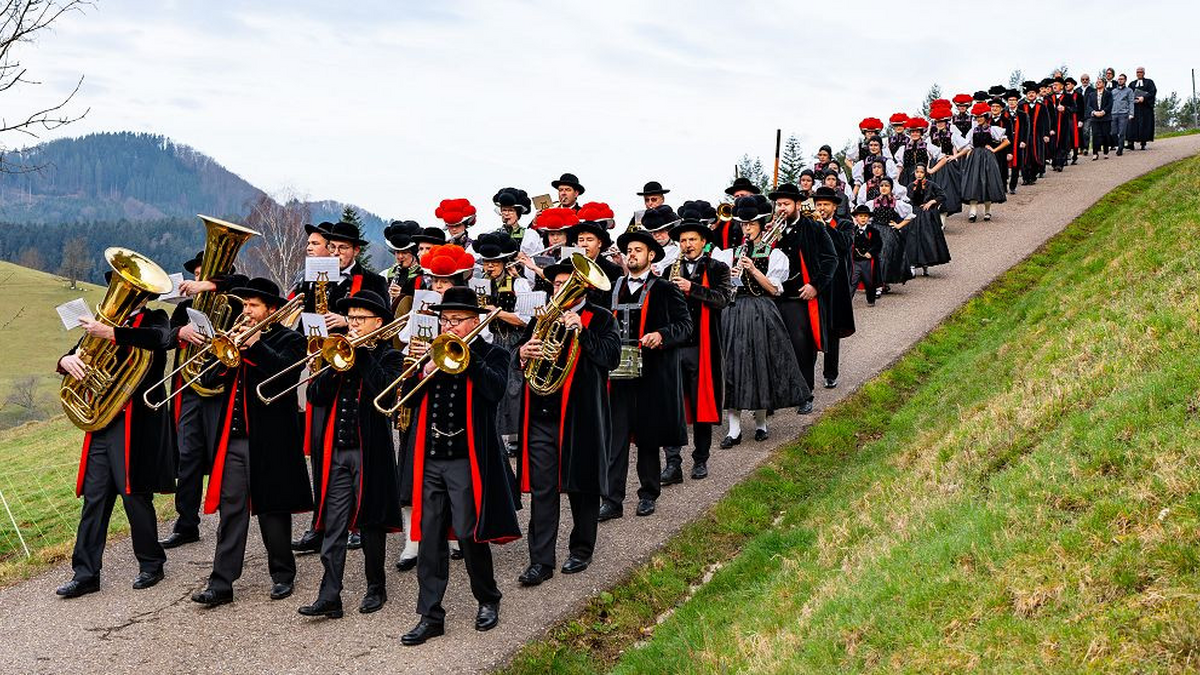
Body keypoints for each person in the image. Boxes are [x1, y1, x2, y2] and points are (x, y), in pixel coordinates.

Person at [398, 286, 521, 645]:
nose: (449, 326)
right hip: (431, 460)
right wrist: (423, 369)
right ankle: (430, 615)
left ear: (474, 321)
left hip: (467, 460)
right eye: (444, 320)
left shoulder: (493, 353)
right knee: (429, 538)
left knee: (469, 535)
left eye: (456, 320)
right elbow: (405, 399)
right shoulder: (430, 352)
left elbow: (495, 391)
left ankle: (488, 598)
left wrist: (467, 358)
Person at [190, 278, 312, 607]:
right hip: (234, 438)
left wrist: (256, 345)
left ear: (271, 309)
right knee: (231, 510)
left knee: (273, 509)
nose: (246, 311)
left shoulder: (291, 339)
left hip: (272, 438)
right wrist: (226, 352)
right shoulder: (234, 335)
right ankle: (221, 583)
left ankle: (283, 573)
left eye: (253, 306)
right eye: (244, 305)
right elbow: (208, 378)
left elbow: (284, 375)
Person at [55, 277, 175, 598]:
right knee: (95, 498)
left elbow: (161, 339)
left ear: (144, 295)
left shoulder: (154, 318)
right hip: (102, 422)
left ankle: (151, 563)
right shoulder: (102, 324)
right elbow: (76, 354)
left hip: (136, 424)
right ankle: (85, 574)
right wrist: (66, 360)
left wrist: (111, 333)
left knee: (135, 496)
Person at [513, 261, 620, 586]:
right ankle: (540, 561)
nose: (559, 289)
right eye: (556, 284)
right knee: (543, 490)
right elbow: (521, 357)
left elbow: (611, 358)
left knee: (581, 487)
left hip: (581, 417)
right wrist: (523, 353)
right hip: (542, 415)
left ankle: (581, 550)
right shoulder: (541, 319)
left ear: (582, 287)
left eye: (566, 283)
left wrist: (582, 332)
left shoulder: (601, 318)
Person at [300, 290, 404, 619]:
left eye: (361, 318)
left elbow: (386, 395)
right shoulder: (336, 351)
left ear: (378, 322)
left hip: (370, 452)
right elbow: (315, 395)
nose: (354, 323)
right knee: (334, 523)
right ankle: (329, 594)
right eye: (352, 317)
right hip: (337, 452)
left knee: (371, 521)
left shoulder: (390, 356)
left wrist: (360, 355)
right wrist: (334, 364)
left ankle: (376, 586)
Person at [293, 220, 388, 554]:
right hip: (325, 368)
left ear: (356, 251)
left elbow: (385, 325)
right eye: (331, 247)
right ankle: (322, 523)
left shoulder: (373, 281)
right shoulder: (315, 277)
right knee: (321, 450)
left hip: (359, 371)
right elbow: (303, 318)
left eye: (342, 248)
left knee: (358, 453)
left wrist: (347, 321)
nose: (335, 253)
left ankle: (358, 523)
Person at [600, 230, 691, 520]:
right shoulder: (611, 287)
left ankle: (648, 494)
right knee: (615, 440)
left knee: (648, 439)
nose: (632, 254)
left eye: (638, 250)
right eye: (629, 250)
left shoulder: (665, 289)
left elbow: (685, 326)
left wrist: (661, 334)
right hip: (617, 374)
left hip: (652, 375)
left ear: (651, 256)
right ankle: (612, 501)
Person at [160, 251, 247, 550]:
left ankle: (228, 522)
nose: (196, 280)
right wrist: (181, 332)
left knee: (222, 456)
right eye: (196, 275)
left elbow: (243, 281)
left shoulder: (235, 299)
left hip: (220, 391)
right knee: (188, 457)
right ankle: (186, 524)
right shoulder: (185, 307)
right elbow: (165, 337)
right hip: (190, 389)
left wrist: (210, 286)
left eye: (204, 275)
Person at [721, 197, 808, 447]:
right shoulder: (729, 254)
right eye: (743, 225)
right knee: (732, 367)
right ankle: (734, 430)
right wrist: (730, 275)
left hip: (761, 310)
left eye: (751, 224)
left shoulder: (774, 254)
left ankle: (761, 424)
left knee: (760, 364)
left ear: (760, 225)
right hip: (733, 312)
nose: (746, 229)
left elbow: (773, 289)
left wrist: (752, 269)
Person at [660, 217, 732, 483]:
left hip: (703, 346)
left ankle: (701, 459)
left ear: (703, 242)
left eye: (692, 240)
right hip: (674, 347)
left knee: (703, 404)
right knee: (671, 406)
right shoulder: (670, 269)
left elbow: (723, 299)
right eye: (683, 240)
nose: (687, 244)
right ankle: (672, 463)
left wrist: (693, 288)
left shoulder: (718, 267)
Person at [774, 184, 839, 413]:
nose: (782, 208)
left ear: (798, 204)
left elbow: (831, 259)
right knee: (775, 346)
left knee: (802, 346)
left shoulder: (814, 228)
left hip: (800, 297)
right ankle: (776, 396)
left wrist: (815, 285)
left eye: (786, 204)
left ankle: (805, 394)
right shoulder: (771, 229)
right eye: (778, 204)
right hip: (775, 296)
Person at [471, 232, 532, 453]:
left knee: (513, 387)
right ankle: (491, 433)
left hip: (513, 339)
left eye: (494, 262)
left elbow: (526, 320)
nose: (490, 267)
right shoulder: (478, 284)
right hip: (488, 339)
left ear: (505, 262)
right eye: (487, 262)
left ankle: (515, 437)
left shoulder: (519, 283)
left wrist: (497, 313)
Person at [811, 187, 855, 390]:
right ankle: (807, 377)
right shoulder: (809, 224)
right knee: (810, 329)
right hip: (815, 282)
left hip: (836, 285)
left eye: (826, 204)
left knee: (832, 331)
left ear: (834, 207)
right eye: (819, 204)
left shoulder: (845, 224)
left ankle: (830, 374)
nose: (822, 208)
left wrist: (824, 227)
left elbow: (844, 244)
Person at [959, 102, 1009, 222]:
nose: (979, 119)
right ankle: (972, 212)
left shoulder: (993, 129)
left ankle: (987, 211)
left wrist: (994, 150)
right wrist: (962, 157)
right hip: (974, 158)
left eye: (981, 116)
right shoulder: (972, 131)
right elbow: (968, 146)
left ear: (986, 117)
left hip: (988, 158)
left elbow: (1006, 141)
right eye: (977, 117)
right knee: (973, 182)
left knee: (988, 182)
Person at [570, 202, 625, 307]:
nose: (584, 244)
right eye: (581, 240)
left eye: (589, 240)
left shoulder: (613, 270)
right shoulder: (568, 264)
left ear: (599, 243)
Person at [905, 164, 952, 275]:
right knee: (913, 239)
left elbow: (942, 195)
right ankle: (912, 264)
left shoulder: (931, 185)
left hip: (927, 216)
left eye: (921, 172)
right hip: (914, 215)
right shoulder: (911, 186)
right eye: (917, 172)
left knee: (927, 238)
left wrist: (932, 202)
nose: (919, 174)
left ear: (925, 173)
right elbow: (907, 200)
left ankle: (926, 264)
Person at [927, 99, 966, 217]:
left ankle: (944, 215)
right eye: (937, 121)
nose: (939, 124)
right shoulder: (931, 134)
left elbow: (965, 146)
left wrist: (955, 156)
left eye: (942, 121)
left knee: (947, 188)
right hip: (935, 163)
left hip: (948, 164)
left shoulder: (952, 131)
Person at [382, 220, 424, 314]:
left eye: (405, 252)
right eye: (397, 252)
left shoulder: (423, 275)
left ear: (414, 253)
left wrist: (403, 295)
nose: (400, 257)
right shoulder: (386, 274)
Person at [849, 205, 884, 306]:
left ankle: (871, 299)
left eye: (865, 216)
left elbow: (878, 244)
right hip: (855, 261)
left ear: (868, 218)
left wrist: (871, 252)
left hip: (868, 262)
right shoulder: (852, 230)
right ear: (856, 218)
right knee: (852, 282)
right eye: (860, 216)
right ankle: (847, 302)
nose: (863, 218)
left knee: (869, 282)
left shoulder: (873, 231)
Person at [491, 187, 541, 255]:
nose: (506, 214)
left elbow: (536, 257)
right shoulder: (493, 233)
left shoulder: (529, 235)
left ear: (518, 214)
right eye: (504, 210)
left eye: (511, 210)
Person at [1017, 83, 1050, 184]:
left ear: (1036, 94)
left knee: (1036, 155)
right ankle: (1025, 178)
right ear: (1026, 95)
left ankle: (1033, 176)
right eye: (1029, 93)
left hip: (1038, 135)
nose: (1031, 94)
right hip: (1024, 135)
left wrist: (1046, 134)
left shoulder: (1042, 106)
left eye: (1033, 93)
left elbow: (1046, 121)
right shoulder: (1021, 106)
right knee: (1025, 156)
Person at [640, 205, 682, 276]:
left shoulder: (678, 250)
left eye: (661, 231)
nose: (656, 236)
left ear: (669, 230)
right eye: (652, 232)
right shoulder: (645, 251)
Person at [1085, 78, 1114, 160]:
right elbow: (1088, 106)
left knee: (1105, 135)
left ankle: (1105, 152)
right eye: (1097, 82)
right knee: (1095, 135)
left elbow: (1110, 104)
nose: (1098, 83)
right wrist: (1094, 112)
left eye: (1100, 82)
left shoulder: (1108, 93)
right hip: (1095, 118)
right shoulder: (1091, 94)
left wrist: (1103, 112)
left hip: (1105, 117)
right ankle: (1095, 153)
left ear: (1104, 84)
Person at [1128, 67, 1157, 150]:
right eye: (1137, 72)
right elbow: (1129, 93)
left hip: (1145, 108)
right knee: (1132, 125)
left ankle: (1143, 143)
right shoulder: (1132, 84)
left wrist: (1144, 98)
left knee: (1144, 125)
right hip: (1135, 108)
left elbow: (1152, 92)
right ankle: (1131, 143)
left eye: (1140, 72)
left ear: (1144, 73)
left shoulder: (1149, 82)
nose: (1139, 73)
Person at [1109, 74, 1134, 156]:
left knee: (1122, 132)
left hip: (1124, 113)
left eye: (1122, 79)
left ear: (1125, 80)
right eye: (1119, 79)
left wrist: (1131, 113)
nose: (1120, 80)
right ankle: (1117, 145)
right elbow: (1110, 102)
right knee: (1113, 132)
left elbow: (1131, 102)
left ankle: (1120, 148)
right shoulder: (1113, 91)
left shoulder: (1129, 91)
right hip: (1113, 113)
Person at [1077, 73, 1094, 155]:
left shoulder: (1092, 90)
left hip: (1088, 114)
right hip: (1079, 114)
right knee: (1079, 131)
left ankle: (1086, 148)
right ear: (1081, 80)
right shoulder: (1077, 90)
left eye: (1086, 79)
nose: (1085, 81)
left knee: (1086, 131)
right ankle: (1080, 148)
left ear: (1089, 80)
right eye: (1083, 79)